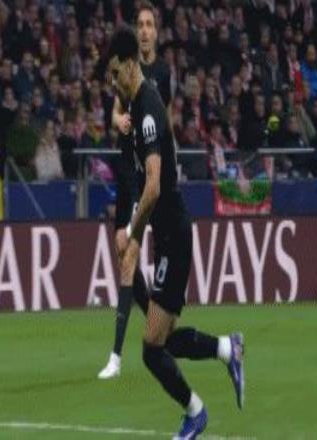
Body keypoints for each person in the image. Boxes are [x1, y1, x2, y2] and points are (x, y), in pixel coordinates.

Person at [105, 26, 244, 439]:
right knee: (161, 337)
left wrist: (132, 233)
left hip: (174, 238)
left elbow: (154, 186)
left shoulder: (148, 108)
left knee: (151, 349)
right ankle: (227, 348)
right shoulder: (138, 106)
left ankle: (195, 413)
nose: (113, 82)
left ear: (131, 65)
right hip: (167, 236)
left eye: (115, 73)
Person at [98, 1, 173, 380]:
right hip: (126, 168)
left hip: (148, 173)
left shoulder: (161, 75)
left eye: (149, 24)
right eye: (139, 24)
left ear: (155, 32)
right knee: (121, 252)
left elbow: (164, 123)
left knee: (129, 257)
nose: (144, 30)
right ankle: (156, 326)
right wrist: (119, 120)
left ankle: (116, 356)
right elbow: (114, 111)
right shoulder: (124, 68)